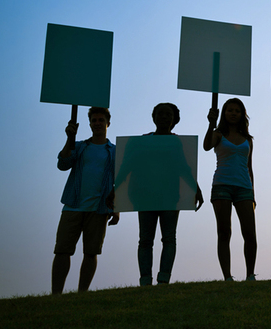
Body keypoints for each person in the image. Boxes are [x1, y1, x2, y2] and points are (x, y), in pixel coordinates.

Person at [130, 102, 204, 286]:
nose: (164, 117)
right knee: (145, 239)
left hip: (170, 197)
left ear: (175, 120)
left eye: (168, 114)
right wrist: (116, 189)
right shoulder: (144, 141)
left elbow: (183, 168)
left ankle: (164, 279)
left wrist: (196, 188)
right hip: (146, 196)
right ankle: (145, 280)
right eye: (160, 114)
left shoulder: (177, 143)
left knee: (168, 238)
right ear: (154, 117)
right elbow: (131, 166)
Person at [52, 107, 119, 294]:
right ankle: (55, 294)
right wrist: (69, 138)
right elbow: (62, 164)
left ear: (108, 123)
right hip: (73, 205)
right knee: (62, 250)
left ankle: (82, 293)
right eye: (94, 120)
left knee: (91, 252)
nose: (97, 123)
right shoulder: (80, 146)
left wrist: (117, 208)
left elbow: (119, 181)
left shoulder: (114, 151)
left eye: (100, 120)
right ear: (89, 123)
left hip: (99, 209)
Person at [204, 98, 257, 281]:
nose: (233, 113)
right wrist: (211, 124)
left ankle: (250, 274)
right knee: (224, 231)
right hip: (222, 185)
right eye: (229, 110)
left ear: (242, 114)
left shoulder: (248, 139)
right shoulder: (218, 134)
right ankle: (227, 276)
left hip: (244, 187)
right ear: (224, 113)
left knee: (249, 233)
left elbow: (250, 168)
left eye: (237, 110)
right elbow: (206, 146)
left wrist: (253, 193)